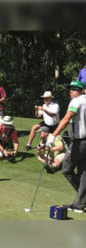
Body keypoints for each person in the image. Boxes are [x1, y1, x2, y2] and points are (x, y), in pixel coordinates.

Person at [48, 81, 86, 213]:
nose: (71, 91)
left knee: (66, 169)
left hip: (79, 142)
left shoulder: (76, 101)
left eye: (75, 89)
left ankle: (83, 199)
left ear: (82, 90)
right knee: (83, 173)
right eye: (70, 89)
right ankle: (80, 204)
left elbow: (65, 119)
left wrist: (53, 135)